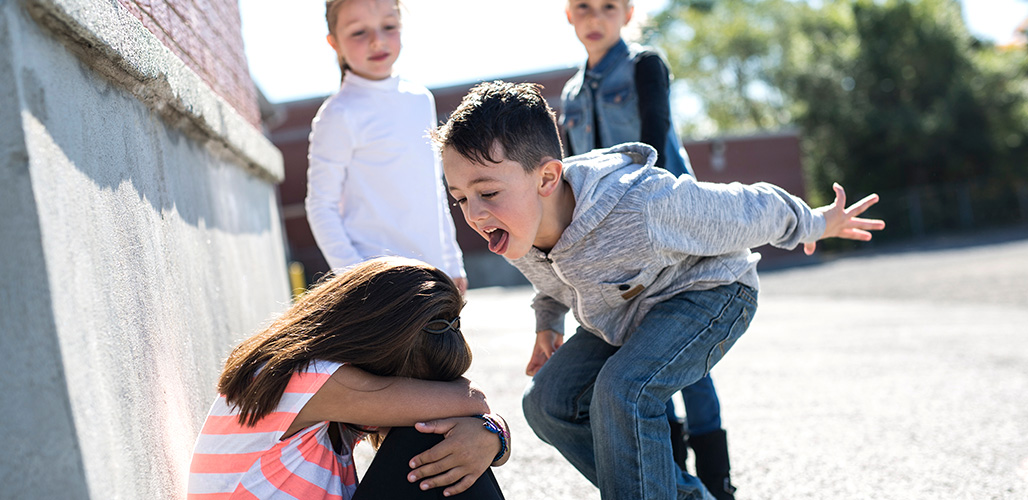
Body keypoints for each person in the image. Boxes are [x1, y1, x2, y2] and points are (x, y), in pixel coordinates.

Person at [434, 81, 884, 500]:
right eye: (460, 198)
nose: (474, 213)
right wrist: (547, 325)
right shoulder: (518, 228)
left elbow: (749, 207)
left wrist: (818, 222)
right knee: (547, 403)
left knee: (623, 390)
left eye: (487, 192)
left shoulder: (642, 205)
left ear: (547, 179)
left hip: (710, 293)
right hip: (625, 313)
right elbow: (553, 281)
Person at [558, 1, 729, 495]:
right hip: (612, 247)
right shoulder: (570, 94)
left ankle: (718, 484)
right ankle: (673, 477)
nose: (595, 17)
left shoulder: (643, 65)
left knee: (687, 361)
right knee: (643, 357)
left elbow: (655, 140)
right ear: (568, 15)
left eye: (608, 6)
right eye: (583, 7)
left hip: (671, 230)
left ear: (628, 13)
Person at [187, 257, 509, 499]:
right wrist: (486, 427)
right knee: (429, 434)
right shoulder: (307, 377)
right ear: (379, 348)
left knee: (447, 438)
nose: (415, 393)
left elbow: (469, 413)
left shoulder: (331, 392)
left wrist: (491, 435)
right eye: (413, 383)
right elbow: (473, 402)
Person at [305, 0, 467, 293]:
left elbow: (433, 190)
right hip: (379, 287)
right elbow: (321, 206)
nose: (377, 40)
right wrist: (357, 279)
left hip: (434, 276)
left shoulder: (420, 99)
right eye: (358, 32)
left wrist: (453, 263)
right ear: (335, 43)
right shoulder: (338, 114)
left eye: (389, 27)